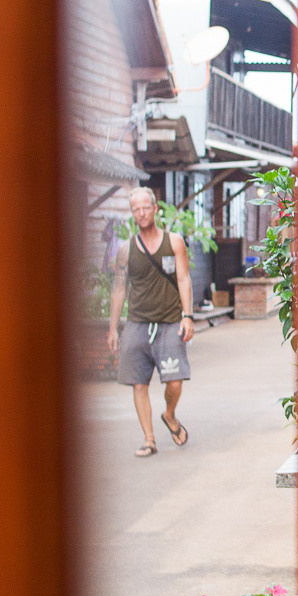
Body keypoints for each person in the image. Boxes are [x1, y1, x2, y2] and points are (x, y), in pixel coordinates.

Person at [106, 186, 195, 458]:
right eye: (136, 209)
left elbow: (183, 279)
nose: (142, 213)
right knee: (138, 383)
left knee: (176, 381)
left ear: (155, 209)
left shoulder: (174, 242)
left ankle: (169, 414)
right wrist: (113, 328)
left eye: (146, 207)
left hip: (169, 321)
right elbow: (119, 288)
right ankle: (149, 439)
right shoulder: (125, 250)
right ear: (132, 213)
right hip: (137, 323)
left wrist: (188, 316)